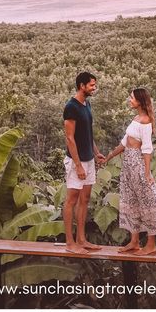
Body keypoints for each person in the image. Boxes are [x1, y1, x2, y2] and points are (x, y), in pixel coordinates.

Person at [104, 87, 156, 255]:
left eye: (132, 98)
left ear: (139, 101)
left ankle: (151, 244)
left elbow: (147, 148)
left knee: (147, 201)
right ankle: (134, 241)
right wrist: (108, 157)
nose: (130, 100)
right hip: (128, 166)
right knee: (131, 201)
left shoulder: (145, 121)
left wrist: (146, 172)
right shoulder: (136, 118)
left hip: (138, 163)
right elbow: (124, 143)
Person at [63, 71, 106, 252]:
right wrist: (78, 165)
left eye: (94, 85)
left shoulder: (86, 104)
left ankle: (82, 240)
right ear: (82, 85)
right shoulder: (71, 107)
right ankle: (70, 243)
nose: (94, 88)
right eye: (91, 85)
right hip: (76, 162)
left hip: (88, 159)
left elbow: (88, 133)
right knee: (71, 200)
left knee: (85, 199)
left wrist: (96, 154)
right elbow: (69, 138)